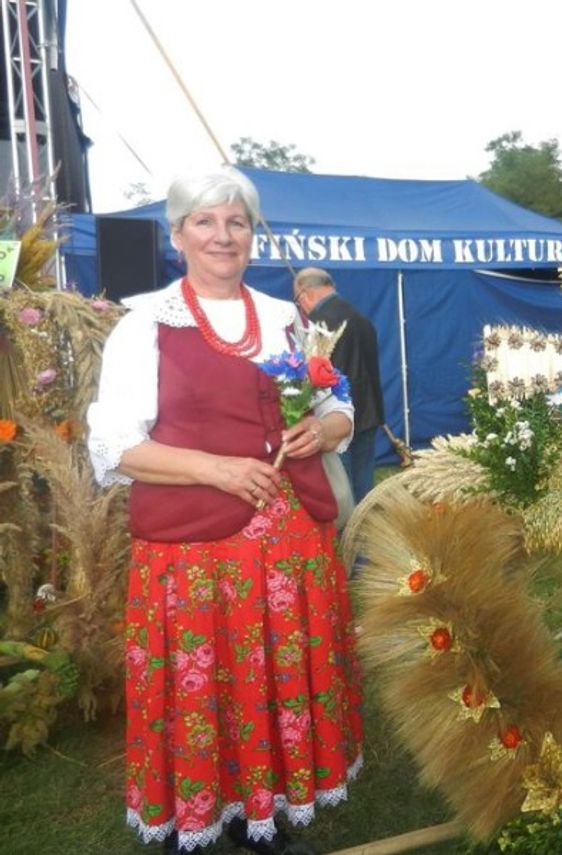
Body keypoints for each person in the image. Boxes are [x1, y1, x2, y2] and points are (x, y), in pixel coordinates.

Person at [87, 168, 363, 854]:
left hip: (289, 544)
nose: (222, 234)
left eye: (237, 222)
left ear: (251, 235)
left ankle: (259, 811)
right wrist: (216, 469)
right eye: (205, 221)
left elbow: (337, 409)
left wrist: (320, 431)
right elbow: (114, 447)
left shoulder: (284, 317)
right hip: (197, 551)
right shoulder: (143, 324)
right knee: (211, 685)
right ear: (177, 234)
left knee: (270, 678)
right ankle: (203, 813)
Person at [293, 267, 385, 504]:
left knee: (341, 488)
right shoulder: (361, 318)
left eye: (297, 300)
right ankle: (364, 532)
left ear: (305, 293)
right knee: (364, 485)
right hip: (370, 412)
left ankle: (346, 536)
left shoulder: (317, 325)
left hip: (337, 418)